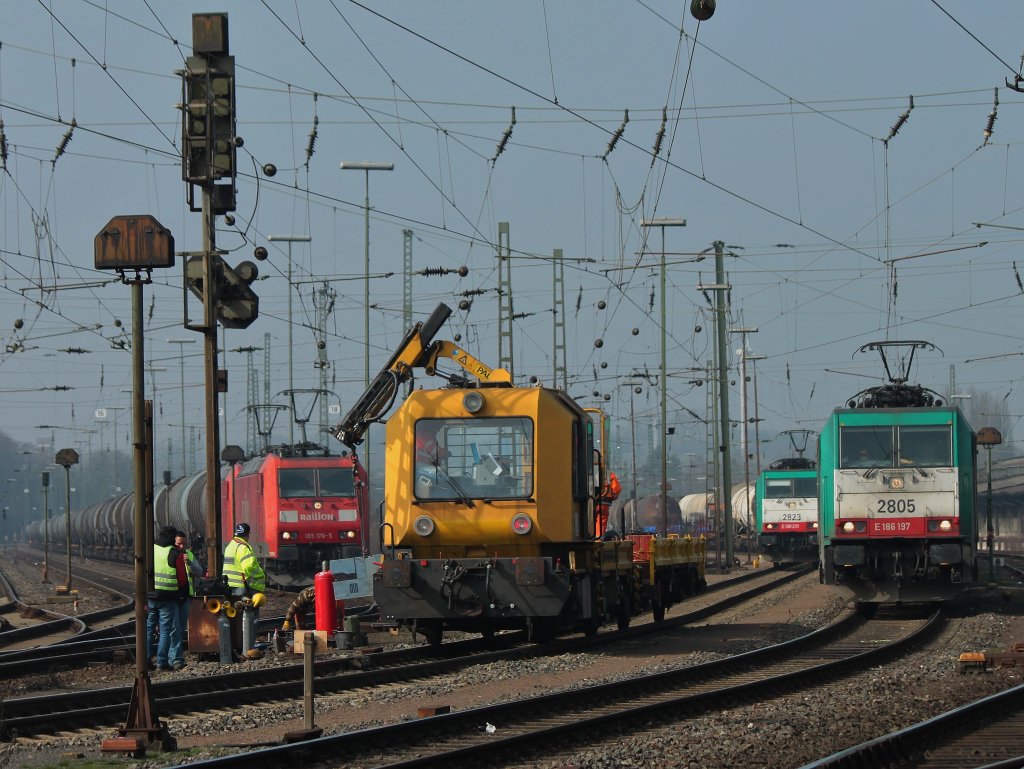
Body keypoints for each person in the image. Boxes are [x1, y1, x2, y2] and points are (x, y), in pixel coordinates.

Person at [150, 525, 190, 671]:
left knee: (151, 629)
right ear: (172, 539)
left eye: (183, 543)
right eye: (178, 542)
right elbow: (181, 578)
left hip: (153, 595)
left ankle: (148, 659)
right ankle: (164, 661)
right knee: (169, 630)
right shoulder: (174, 553)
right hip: (170, 596)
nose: (180, 545)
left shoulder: (151, 549)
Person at [223, 522, 266, 599]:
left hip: (229, 585)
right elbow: (249, 567)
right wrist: (260, 573)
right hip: (242, 586)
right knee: (249, 609)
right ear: (247, 535)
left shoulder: (230, 546)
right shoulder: (243, 548)